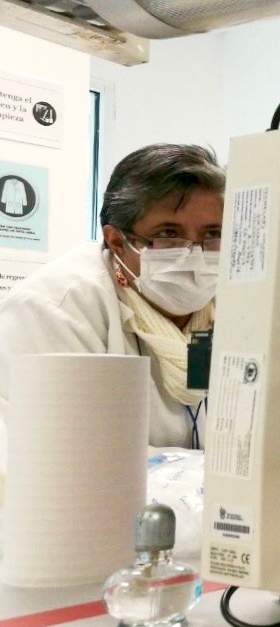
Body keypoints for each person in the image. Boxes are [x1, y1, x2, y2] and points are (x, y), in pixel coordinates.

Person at [0, 144, 225, 471]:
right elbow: (73, 459)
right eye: (168, 234)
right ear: (117, 241)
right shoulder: (55, 309)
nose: (194, 254)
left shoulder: (235, 301)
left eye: (212, 234)